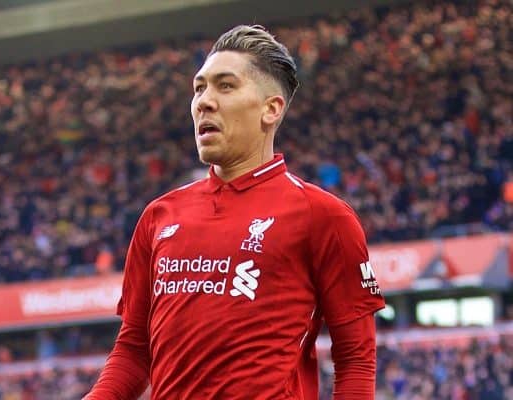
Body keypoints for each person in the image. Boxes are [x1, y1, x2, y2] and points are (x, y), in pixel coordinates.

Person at [84, 25, 385, 400]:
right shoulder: (159, 217)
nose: (204, 101)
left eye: (225, 86)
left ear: (270, 109)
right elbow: (133, 351)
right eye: (199, 88)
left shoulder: (323, 216)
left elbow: (355, 358)